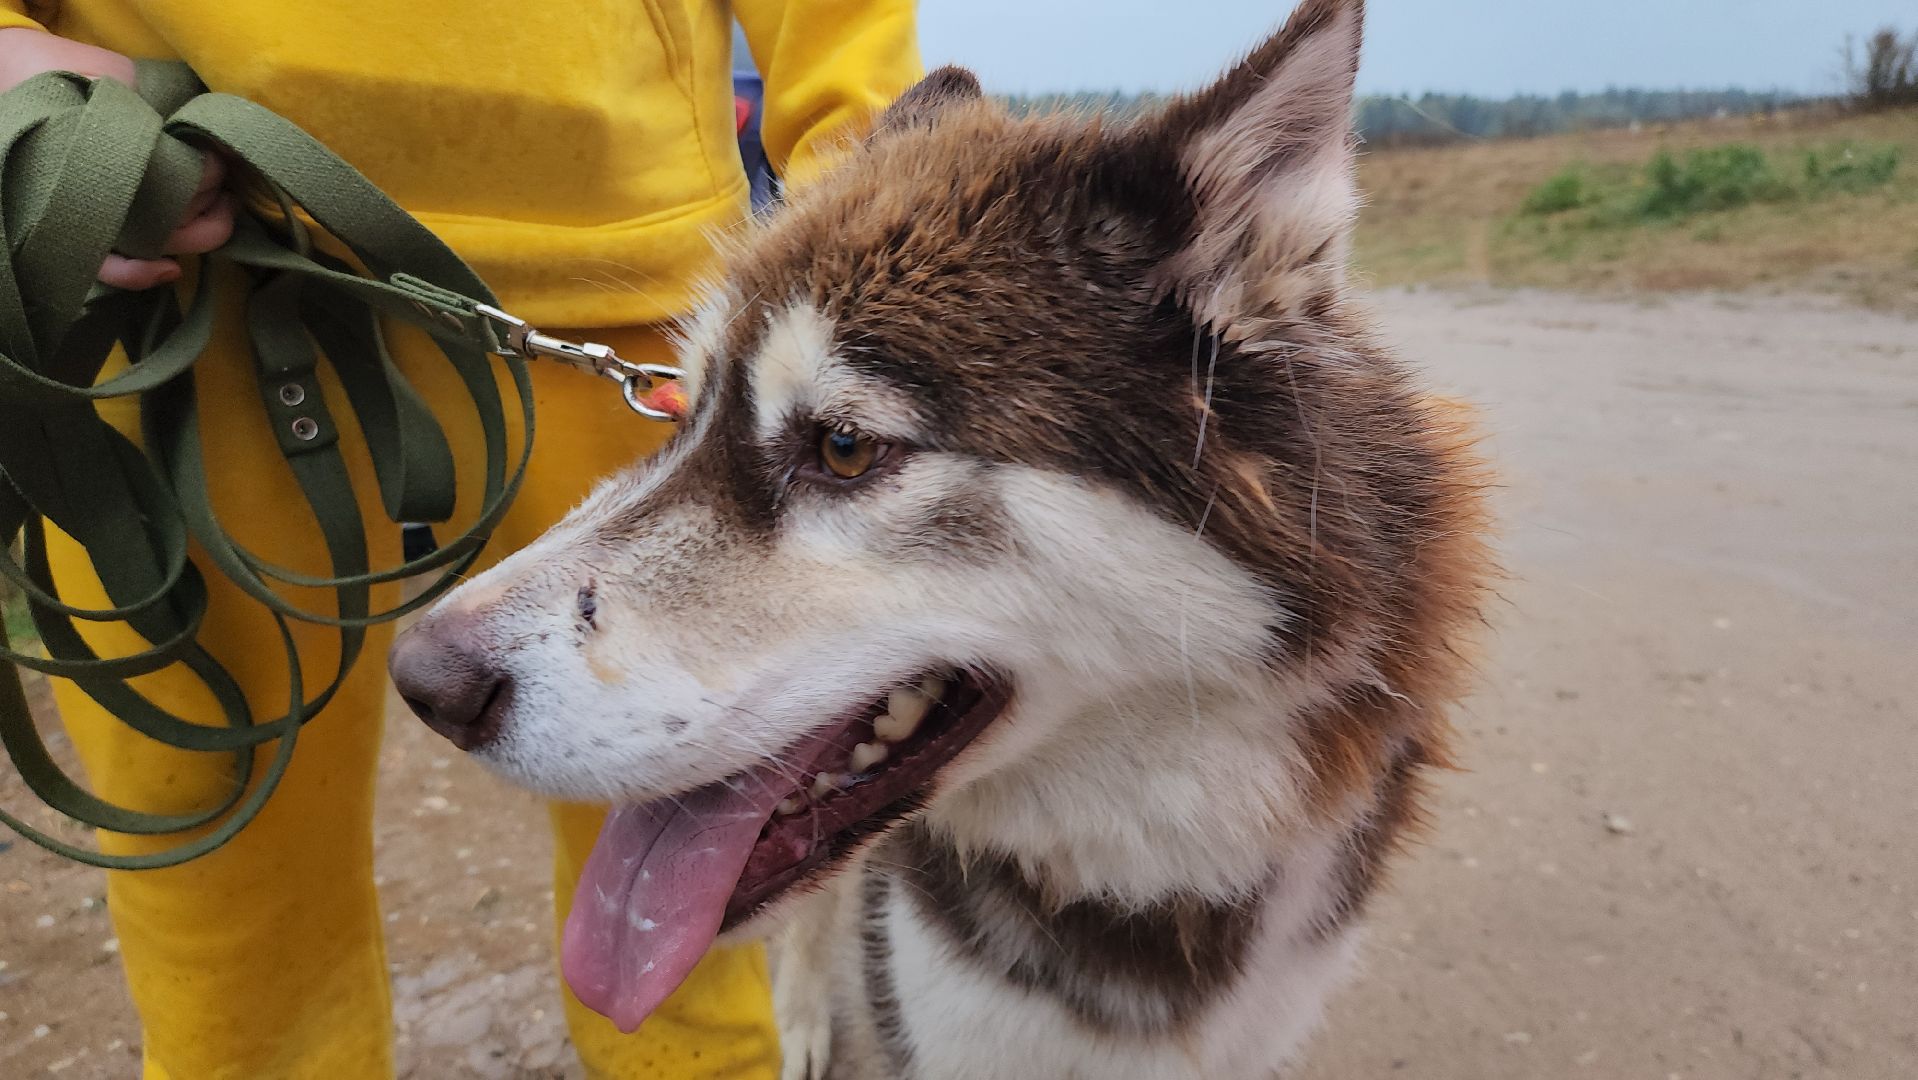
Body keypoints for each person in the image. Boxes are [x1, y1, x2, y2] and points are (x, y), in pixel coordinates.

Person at [0, 2, 920, 1077]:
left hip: (626, 295)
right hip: (188, 295)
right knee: (220, 899)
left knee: (701, 823)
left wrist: (869, 190)